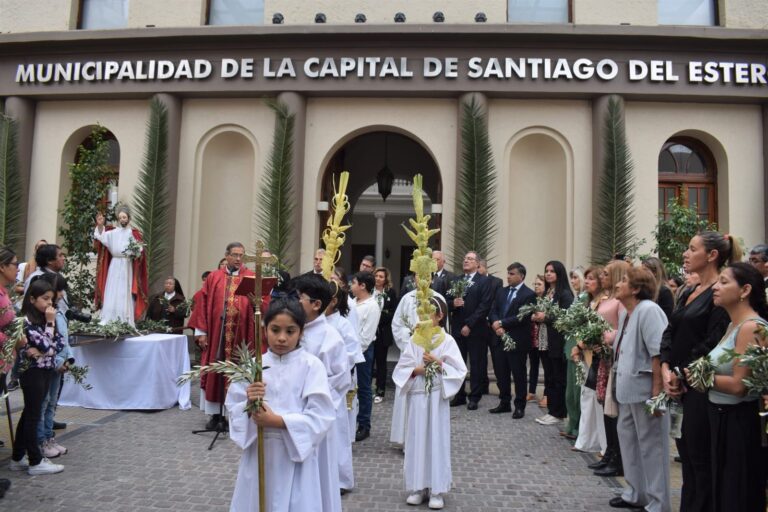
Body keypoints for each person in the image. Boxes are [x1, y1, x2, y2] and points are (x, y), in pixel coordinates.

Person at [225, 297, 336, 512]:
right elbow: (234, 406)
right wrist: (249, 404)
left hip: (295, 452)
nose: (282, 338)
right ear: (265, 329)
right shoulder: (253, 365)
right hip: (260, 451)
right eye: (275, 330)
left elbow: (321, 415)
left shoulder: (311, 366)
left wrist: (277, 420)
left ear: (301, 332)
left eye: (290, 331)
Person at [660, 231, 739, 512]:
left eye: (692, 249)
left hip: (700, 389)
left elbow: (712, 341)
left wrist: (681, 373)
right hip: (679, 386)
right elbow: (670, 331)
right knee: (688, 461)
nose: (685, 254)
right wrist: (666, 368)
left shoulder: (720, 292)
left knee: (700, 462)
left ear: (712, 255)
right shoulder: (689, 291)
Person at [699, 262, 767, 512]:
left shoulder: (752, 327)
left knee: (737, 494)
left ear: (745, 290)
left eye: (724, 282)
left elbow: (739, 385)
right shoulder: (732, 325)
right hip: (721, 417)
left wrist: (701, 378)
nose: (716, 287)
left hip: (739, 422)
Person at [392, 296, 467, 510]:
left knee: (436, 440)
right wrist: (417, 370)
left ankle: (436, 489)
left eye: (427, 314)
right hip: (417, 398)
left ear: (439, 316)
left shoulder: (447, 341)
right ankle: (417, 487)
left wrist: (437, 363)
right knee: (416, 440)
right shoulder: (414, 340)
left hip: (436, 397)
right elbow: (401, 369)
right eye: (420, 314)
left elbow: (459, 371)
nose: (422, 318)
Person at [610, 266, 670, 511]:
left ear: (635, 289)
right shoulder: (627, 313)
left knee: (652, 447)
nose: (617, 284)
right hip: (626, 389)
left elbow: (658, 353)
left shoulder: (649, 310)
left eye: (623, 281)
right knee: (629, 442)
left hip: (645, 390)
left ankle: (658, 503)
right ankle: (635, 493)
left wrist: (656, 394)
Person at [291, 274, 349, 509]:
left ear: (316, 304)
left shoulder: (330, 338)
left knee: (317, 473)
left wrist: (313, 404)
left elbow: (340, 380)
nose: (294, 303)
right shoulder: (293, 330)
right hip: (290, 415)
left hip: (316, 419)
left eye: (299, 298)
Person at [188, 242, 256, 429]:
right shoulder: (214, 277)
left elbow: (260, 304)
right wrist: (202, 332)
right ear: (226, 256)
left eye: (241, 255)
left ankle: (233, 415)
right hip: (217, 335)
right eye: (235, 255)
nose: (238, 259)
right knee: (215, 373)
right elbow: (203, 304)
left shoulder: (249, 277)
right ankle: (216, 415)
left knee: (237, 373)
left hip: (240, 336)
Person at [8, 279, 65, 475]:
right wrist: (50, 324)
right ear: (32, 299)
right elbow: (48, 345)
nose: (49, 304)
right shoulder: (26, 321)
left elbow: (58, 344)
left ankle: (17, 457)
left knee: (29, 414)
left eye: (51, 299)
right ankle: (35, 461)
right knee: (34, 415)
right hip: (32, 371)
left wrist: (46, 346)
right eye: (45, 299)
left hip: (46, 370)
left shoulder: (44, 319)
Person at [389, 284, 447, 446]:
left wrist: (437, 362)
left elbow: (455, 368)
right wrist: (410, 342)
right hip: (412, 351)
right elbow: (397, 324)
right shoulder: (407, 298)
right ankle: (406, 439)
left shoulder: (438, 299)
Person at [324, 280, 364, 494]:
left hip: (336, 385)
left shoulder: (343, 324)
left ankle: (340, 479)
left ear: (334, 301)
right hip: (318, 384)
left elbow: (351, 354)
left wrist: (334, 372)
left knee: (338, 432)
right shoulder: (316, 323)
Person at [591, 260, 629, 477]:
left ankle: (617, 458)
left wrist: (606, 338)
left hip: (612, 355)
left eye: (606, 274)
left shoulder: (620, 301)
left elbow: (622, 328)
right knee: (605, 405)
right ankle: (609, 453)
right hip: (603, 356)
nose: (601, 277)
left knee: (612, 408)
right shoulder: (608, 298)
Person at [488, 262, 536, 418]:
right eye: (508, 273)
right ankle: (504, 402)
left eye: (512, 274)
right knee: (501, 373)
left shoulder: (529, 294)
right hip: (499, 339)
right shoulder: (501, 292)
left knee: (519, 374)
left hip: (517, 341)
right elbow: (493, 310)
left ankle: (520, 406)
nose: (508, 276)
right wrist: (496, 325)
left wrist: (502, 323)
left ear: (521, 276)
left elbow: (522, 317)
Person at [34, 273, 73, 460]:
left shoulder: (58, 312)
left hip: (59, 363)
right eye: (60, 290)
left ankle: (49, 437)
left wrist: (68, 360)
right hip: (49, 365)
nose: (62, 293)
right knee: (43, 403)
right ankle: (40, 440)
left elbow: (64, 341)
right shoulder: (46, 316)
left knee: (51, 403)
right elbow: (48, 342)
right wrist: (58, 362)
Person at [447, 251, 492, 410]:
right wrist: (453, 304)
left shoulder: (484, 282)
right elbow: (446, 300)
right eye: (465, 258)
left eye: (470, 259)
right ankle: (459, 395)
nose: (466, 261)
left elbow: (484, 306)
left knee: (476, 364)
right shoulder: (456, 280)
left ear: (477, 264)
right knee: (457, 363)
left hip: (476, 330)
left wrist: (470, 325)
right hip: (457, 328)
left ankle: (474, 397)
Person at [571, 266, 608, 454]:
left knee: (597, 399)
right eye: (586, 278)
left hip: (596, 354)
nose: (587, 282)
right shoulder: (589, 301)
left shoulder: (605, 301)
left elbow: (598, 328)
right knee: (587, 397)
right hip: (587, 354)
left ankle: (602, 443)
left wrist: (580, 344)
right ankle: (585, 440)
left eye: (591, 278)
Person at [533, 260, 574, 426]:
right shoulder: (548, 292)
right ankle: (551, 410)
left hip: (557, 342)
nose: (548, 273)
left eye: (552, 271)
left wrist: (546, 318)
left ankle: (559, 412)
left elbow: (566, 318)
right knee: (549, 377)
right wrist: (536, 317)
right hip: (544, 340)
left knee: (558, 378)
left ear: (559, 273)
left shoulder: (564, 294)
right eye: (546, 270)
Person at [93, 207, 149, 325]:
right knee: (112, 289)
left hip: (126, 265)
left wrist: (136, 251)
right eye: (120, 218)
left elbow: (140, 249)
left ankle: (125, 318)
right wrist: (100, 225)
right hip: (115, 264)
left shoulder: (133, 233)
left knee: (124, 291)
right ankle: (110, 317)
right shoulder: (113, 232)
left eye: (124, 217)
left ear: (129, 218)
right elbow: (101, 237)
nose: (122, 220)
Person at [349, 271, 380, 441]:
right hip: (350, 350)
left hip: (362, 351)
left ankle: (364, 424)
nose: (351, 285)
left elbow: (366, 336)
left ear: (362, 286)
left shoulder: (372, 306)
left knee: (364, 386)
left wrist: (354, 352)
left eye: (354, 282)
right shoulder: (353, 302)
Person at [0, 247, 25, 462]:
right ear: (2, 267)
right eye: (15, 264)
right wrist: (11, 339)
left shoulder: (4, 292)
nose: (18, 268)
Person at [563, 266, 587, 439]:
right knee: (571, 391)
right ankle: (572, 424)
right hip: (571, 344)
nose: (573, 282)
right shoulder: (577, 297)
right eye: (571, 278)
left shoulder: (585, 298)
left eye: (576, 278)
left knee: (577, 391)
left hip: (578, 346)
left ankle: (577, 426)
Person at [372, 267, 397, 402]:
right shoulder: (369, 291)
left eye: (381, 276)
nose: (378, 279)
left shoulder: (390, 293)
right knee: (369, 362)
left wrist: (378, 319)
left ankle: (380, 391)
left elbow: (393, 311)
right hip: (369, 333)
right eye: (376, 276)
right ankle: (367, 389)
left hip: (383, 332)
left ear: (386, 279)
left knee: (381, 363)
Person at [14, 239, 47, 304]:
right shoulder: (23, 266)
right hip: (24, 302)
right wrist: (33, 290)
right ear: (35, 250)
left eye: (44, 247)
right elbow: (16, 288)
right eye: (39, 247)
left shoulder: (48, 270)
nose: (41, 249)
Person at [529, 274, 546, 404]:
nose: (536, 286)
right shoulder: (531, 299)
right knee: (533, 365)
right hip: (532, 337)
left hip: (544, 338)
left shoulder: (547, 300)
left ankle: (547, 395)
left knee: (546, 367)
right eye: (535, 284)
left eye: (539, 284)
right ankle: (531, 392)